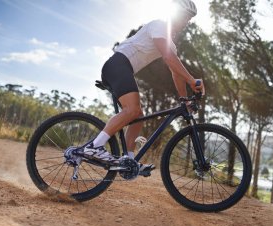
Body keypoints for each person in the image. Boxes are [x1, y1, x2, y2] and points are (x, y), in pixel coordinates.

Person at [84, 0, 204, 169]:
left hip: (123, 68)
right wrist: (192, 80)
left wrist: (184, 99)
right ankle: (95, 146)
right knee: (132, 110)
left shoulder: (170, 43)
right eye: (184, 16)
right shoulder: (159, 26)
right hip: (117, 65)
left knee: (138, 116)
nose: (186, 22)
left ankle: (128, 160)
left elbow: (175, 72)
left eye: (188, 19)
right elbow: (169, 58)